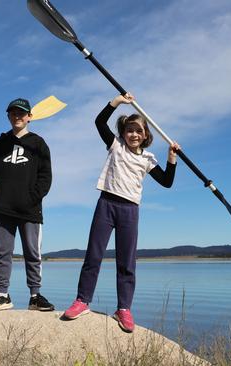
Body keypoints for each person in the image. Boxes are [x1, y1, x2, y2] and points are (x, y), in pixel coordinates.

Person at [62, 93, 180, 333]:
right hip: (106, 204)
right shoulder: (115, 145)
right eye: (129, 130)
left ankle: (123, 308)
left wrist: (172, 158)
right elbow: (99, 122)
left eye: (138, 131)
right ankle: (82, 300)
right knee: (93, 256)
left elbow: (167, 182)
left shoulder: (148, 159)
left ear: (146, 135)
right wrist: (116, 102)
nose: (133, 135)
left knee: (126, 262)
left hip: (129, 210)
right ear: (123, 133)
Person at [0, 97, 54, 313]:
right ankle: (2, 295)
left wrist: (31, 199)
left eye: (21, 113)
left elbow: (46, 177)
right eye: (13, 113)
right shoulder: (1, 143)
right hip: (3, 207)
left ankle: (35, 296)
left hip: (30, 209)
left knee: (32, 253)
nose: (17, 116)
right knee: (2, 251)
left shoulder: (38, 143)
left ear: (29, 117)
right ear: (8, 116)